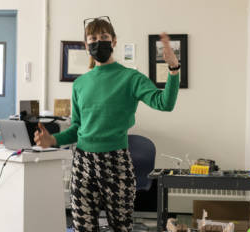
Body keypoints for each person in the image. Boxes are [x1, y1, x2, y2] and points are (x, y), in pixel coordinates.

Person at [34, 16, 180, 231]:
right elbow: (76, 127)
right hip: (83, 164)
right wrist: (53, 140)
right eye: (92, 38)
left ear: (114, 41)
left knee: (121, 227)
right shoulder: (80, 84)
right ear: (86, 45)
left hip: (116, 163)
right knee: (83, 228)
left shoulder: (131, 78)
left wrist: (173, 68)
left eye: (104, 36)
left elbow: (164, 103)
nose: (98, 42)